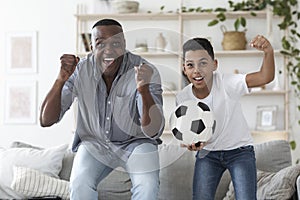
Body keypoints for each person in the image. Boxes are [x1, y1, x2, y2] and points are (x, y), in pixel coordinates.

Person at [39, 18, 165, 200]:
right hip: (94, 143)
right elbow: (46, 120)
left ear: (124, 45)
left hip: (136, 143)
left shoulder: (144, 71)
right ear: (91, 46)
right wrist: (60, 80)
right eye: (101, 43)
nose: (109, 50)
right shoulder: (79, 70)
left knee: (147, 184)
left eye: (116, 44)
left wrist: (143, 90)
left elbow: (153, 131)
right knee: (79, 183)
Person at [177, 35, 275, 200]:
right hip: (208, 155)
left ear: (214, 65)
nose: (197, 70)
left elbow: (265, 77)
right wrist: (192, 143)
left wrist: (268, 52)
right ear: (184, 69)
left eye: (203, 63)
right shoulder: (183, 97)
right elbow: (187, 132)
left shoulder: (228, 84)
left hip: (240, 152)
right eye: (190, 65)